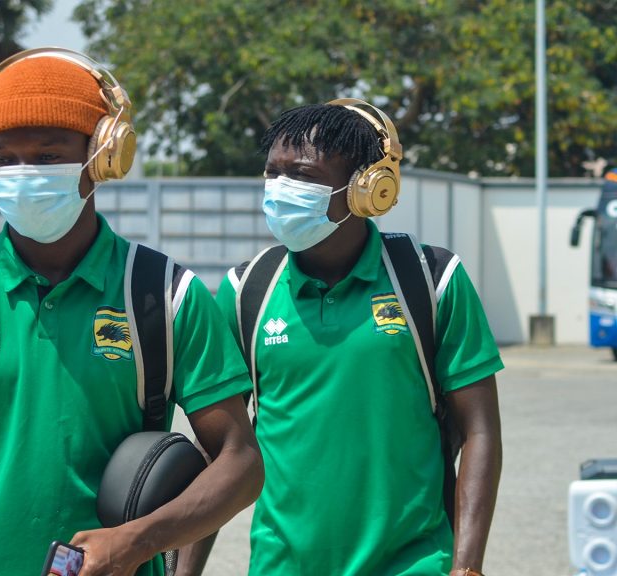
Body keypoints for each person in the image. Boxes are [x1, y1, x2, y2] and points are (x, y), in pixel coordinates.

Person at [0, 48, 263, 576]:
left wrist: (137, 542)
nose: (24, 173)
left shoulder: (167, 295)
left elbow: (239, 460)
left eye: (49, 156)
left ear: (103, 155)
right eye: (3, 158)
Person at [184, 101, 504, 576]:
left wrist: (467, 566)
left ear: (368, 188)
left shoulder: (431, 281)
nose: (281, 189)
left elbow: (480, 431)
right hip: (280, 565)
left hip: (414, 564)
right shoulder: (244, 290)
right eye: (273, 172)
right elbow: (219, 453)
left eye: (303, 174)